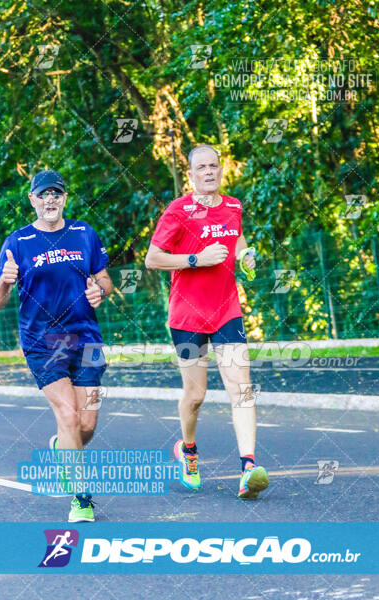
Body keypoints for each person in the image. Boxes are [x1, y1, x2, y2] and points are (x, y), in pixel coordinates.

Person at [145, 145, 269, 499]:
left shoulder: (233, 206)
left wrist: (246, 256)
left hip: (227, 310)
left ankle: (248, 469)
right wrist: (196, 258)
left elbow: (239, 240)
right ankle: (187, 449)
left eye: (214, 166)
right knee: (196, 395)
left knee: (241, 387)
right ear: (191, 174)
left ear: (220, 169)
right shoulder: (178, 210)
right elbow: (153, 259)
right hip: (187, 314)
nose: (209, 172)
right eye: (202, 167)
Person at [0, 170, 113, 521]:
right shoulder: (17, 243)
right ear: (32, 200)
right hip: (43, 342)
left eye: (56, 193)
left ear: (65, 198)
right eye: (43, 194)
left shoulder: (84, 233)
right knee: (67, 415)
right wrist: (4, 282)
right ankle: (81, 499)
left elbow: (104, 279)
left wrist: (100, 291)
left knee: (86, 425)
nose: (50, 199)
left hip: (86, 339)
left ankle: (61, 447)